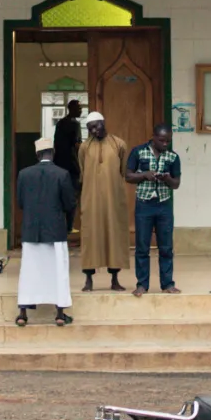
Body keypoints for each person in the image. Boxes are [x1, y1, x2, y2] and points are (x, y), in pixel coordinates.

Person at [14, 151, 82, 327]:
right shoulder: (62, 174)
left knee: (29, 271)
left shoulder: (24, 174)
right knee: (58, 271)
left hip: (31, 231)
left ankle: (22, 314)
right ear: (53, 155)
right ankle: (59, 314)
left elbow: (20, 202)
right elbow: (69, 203)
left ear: (37, 155)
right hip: (55, 231)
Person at [75, 111, 129, 292]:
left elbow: (123, 170)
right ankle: (88, 279)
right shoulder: (84, 147)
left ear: (104, 124)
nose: (93, 131)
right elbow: (83, 172)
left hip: (113, 199)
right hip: (91, 200)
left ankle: (115, 279)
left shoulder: (118, 144)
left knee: (114, 236)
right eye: (90, 128)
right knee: (91, 237)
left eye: (96, 126)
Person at [126, 125, 183, 296]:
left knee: (166, 247)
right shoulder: (138, 152)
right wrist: (144, 175)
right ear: (153, 137)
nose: (165, 144)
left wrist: (167, 178)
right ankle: (142, 285)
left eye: (168, 141)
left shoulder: (173, 157)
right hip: (144, 205)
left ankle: (167, 284)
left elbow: (177, 184)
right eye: (162, 140)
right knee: (142, 247)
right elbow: (128, 176)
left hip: (164, 205)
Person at [50, 97, 84, 180]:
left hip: (59, 162)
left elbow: (56, 143)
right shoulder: (75, 124)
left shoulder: (60, 123)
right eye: (79, 108)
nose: (81, 111)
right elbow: (77, 145)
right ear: (72, 109)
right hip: (72, 164)